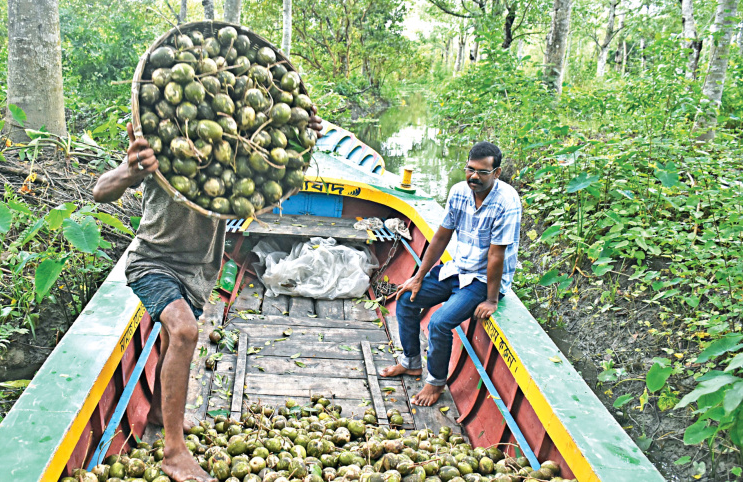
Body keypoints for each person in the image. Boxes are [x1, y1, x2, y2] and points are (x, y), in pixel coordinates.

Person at [92, 110, 322, 482]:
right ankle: (173, 451)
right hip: (153, 262)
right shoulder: (162, 148)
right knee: (184, 332)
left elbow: (278, 182)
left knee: (171, 340)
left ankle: (157, 413)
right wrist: (131, 171)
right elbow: (101, 189)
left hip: (200, 270)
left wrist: (302, 138)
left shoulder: (232, 156)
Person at [379, 142, 521, 407]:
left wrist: (491, 300)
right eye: (470, 169)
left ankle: (435, 382)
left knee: (439, 323)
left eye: (482, 172)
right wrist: (418, 276)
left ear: (497, 173)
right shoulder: (459, 192)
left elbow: (496, 255)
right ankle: (410, 363)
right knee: (407, 298)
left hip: (483, 279)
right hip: (459, 268)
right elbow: (442, 236)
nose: (474, 177)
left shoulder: (506, 202)